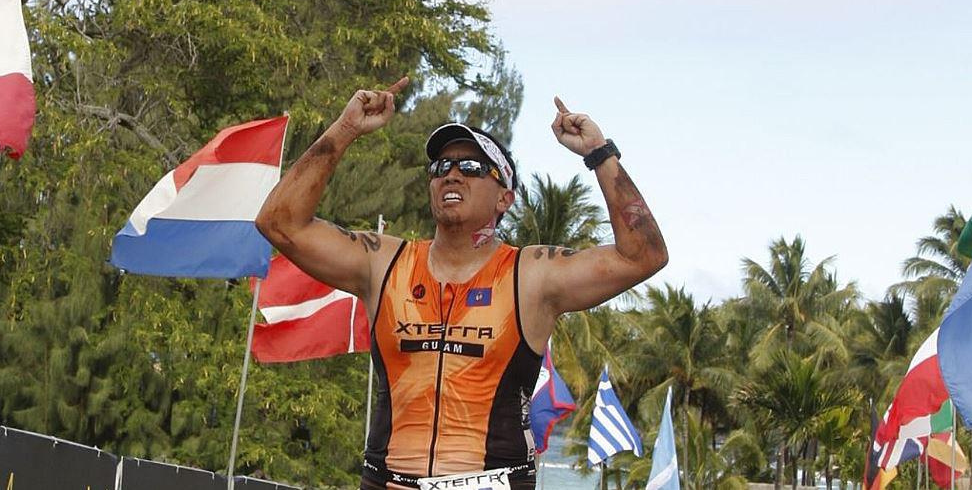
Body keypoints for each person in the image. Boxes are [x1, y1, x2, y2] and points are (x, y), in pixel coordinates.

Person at [255, 78, 668, 490]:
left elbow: (643, 255)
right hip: (388, 481)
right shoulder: (385, 262)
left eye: (471, 167)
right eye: (441, 168)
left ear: (504, 198)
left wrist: (600, 154)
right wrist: (345, 129)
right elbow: (279, 222)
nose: (452, 175)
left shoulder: (531, 275)